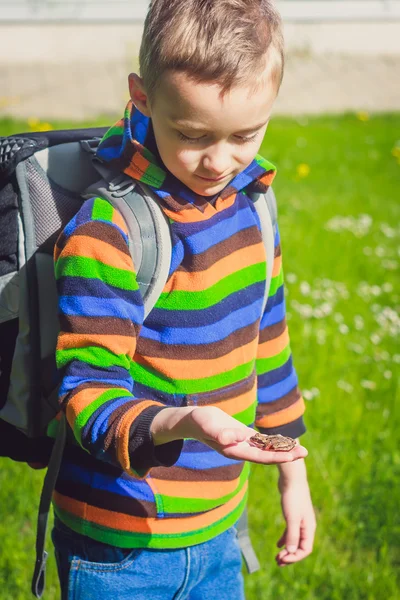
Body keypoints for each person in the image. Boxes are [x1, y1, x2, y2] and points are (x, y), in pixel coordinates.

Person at [51, 1, 316, 598]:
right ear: (142, 98)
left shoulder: (254, 207)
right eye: (192, 135)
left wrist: (292, 472)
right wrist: (185, 422)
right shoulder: (111, 230)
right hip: (116, 545)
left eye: (245, 134)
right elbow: (87, 397)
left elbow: (268, 346)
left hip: (222, 528)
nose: (219, 161)